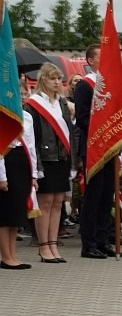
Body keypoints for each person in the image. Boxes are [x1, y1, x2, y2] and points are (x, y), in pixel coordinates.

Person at [73, 44, 122, 259]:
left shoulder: (110, 84)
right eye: (100, 57)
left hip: (109, 148)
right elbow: (82, 118)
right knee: (93, 197)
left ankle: (103, 240)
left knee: (106, 197)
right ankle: (89, 243)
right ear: (90, 61)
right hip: (93, 148)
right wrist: (102, 132)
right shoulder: (85, 86)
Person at [25, 64, 73, 263]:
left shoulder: (62, 103)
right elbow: (32, 139)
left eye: (59, 78)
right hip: (45, 159)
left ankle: (53, 244)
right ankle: (43, 246)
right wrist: (37, 168)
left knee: (58, 203)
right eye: (52, 78)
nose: (56, 82)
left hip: (62, 158)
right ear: (43, 79)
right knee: (45, 203)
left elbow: (70, 133)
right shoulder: (33, 105)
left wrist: (73, 162)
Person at [0, 109, 38, 269]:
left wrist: (34, 174)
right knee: (5, 213)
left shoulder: (26, 116)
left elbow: (31, 146)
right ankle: (6, 257)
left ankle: (13, 255)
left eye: (24, 96)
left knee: (17, 212)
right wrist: (2, 176)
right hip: (6, 162)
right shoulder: (3, 113)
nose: (22, 97)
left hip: (22, 161)